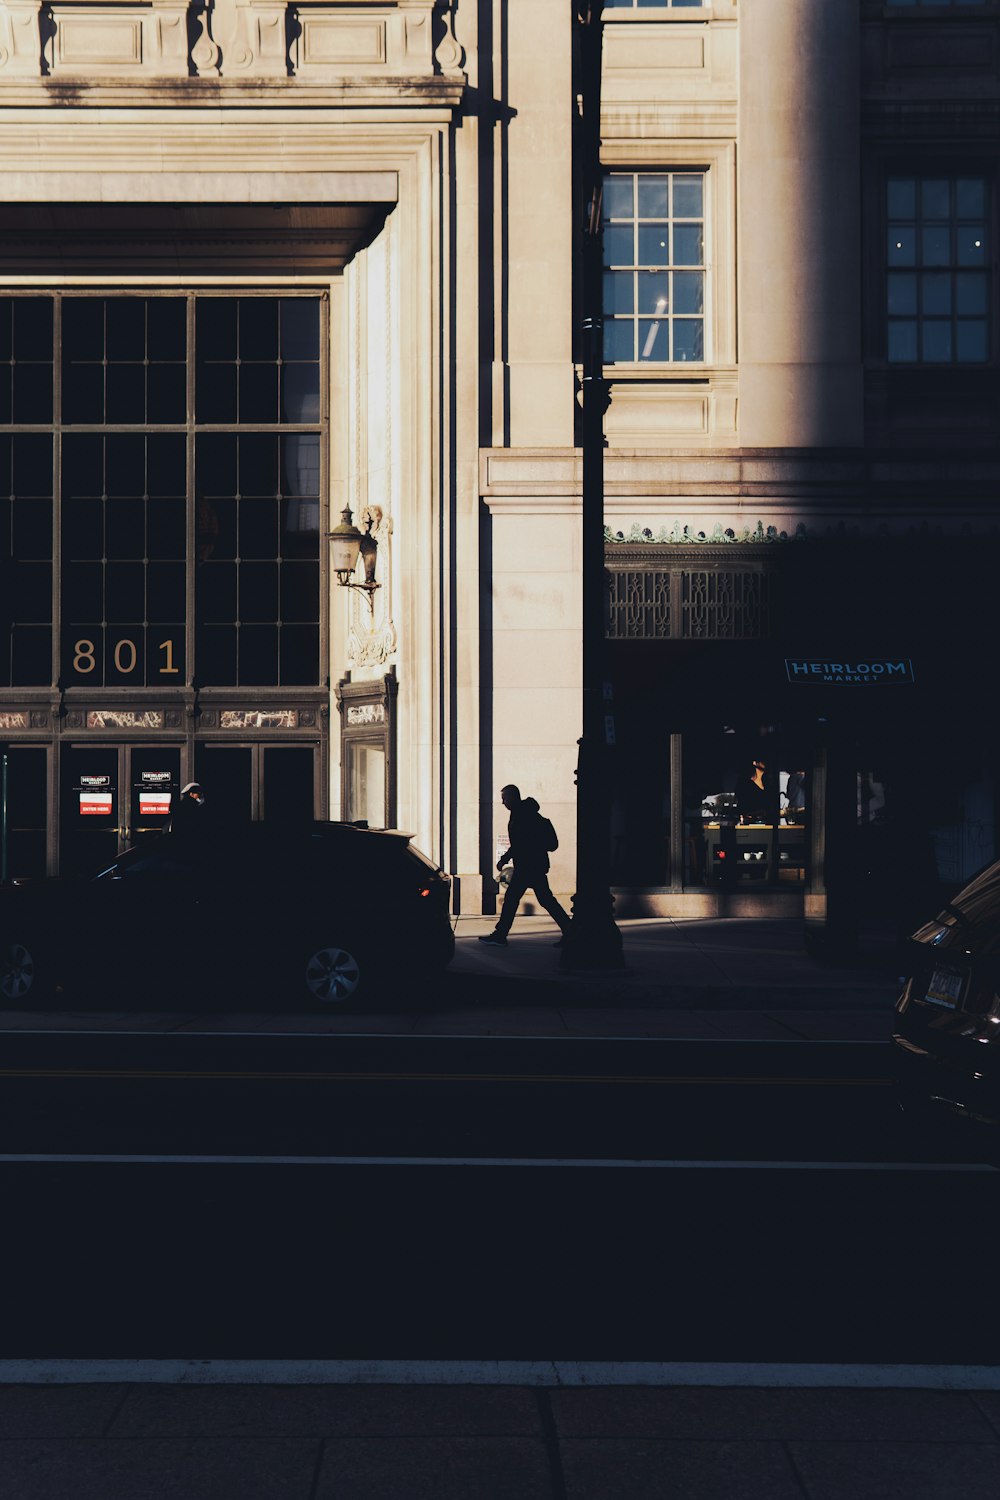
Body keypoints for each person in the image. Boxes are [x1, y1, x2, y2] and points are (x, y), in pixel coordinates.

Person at [479, 784, 571, 947]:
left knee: (513, 899)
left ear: (513, 798)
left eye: (504, 798)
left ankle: (500, 935)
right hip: (532, 865)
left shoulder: (523, 815)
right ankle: (571, 932)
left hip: (529, 866)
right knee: (544, 900)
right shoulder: (523, 813)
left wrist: (504, 858)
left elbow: (520, 843)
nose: (503, 802)